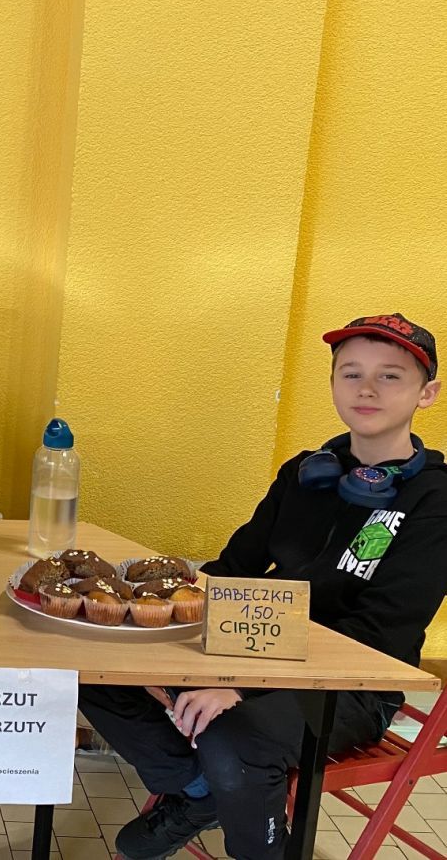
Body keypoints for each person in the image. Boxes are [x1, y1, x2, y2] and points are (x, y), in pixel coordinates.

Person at [80, 313, 447, 860]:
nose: (367, 388)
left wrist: (242, 688)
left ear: (427, 393)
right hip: (252, 648)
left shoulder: (434, 501)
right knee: (92, 668)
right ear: (333, 384)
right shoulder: (306, 473)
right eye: (351, 373)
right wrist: (153, 623)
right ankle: (199, 793)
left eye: (390, 376)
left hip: (349, 684)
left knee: (232, 738)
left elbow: (381, 634)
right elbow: (232, 569)